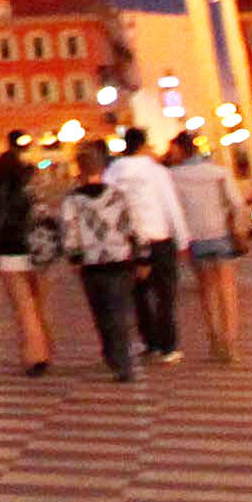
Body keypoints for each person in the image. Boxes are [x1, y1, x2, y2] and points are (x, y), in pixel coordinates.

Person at [56, 138, 145, 379]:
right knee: (120, 311)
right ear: (102, 168)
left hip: (92, 264)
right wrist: (142, 257)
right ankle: (122, 361)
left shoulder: (72, 200)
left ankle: (112, 355)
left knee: (102, 313)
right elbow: (133, 227)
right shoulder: (118, 195)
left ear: (79, 169)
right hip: (120, 260)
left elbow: (69, 232)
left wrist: (74, 258)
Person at [102, 127, 190, 363]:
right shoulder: (157, 172)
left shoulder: (111, 173)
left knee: (139, 294)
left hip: (128, 241)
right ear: (143, 145)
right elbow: (170, 206)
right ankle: (168, 345)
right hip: (157, 236)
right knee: (165, 294)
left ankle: (149, 340)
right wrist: (182, 238)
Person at [163, 129, 250, 363]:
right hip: (220, 234)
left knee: (206, 290)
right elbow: (237, 204)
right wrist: (238, 228)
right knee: (227, 289)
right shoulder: (218, 172)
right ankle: (230, 342)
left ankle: (213, 337)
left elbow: (172, 210)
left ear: (180, 150)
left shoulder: (172, 176)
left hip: (194, 238)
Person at [0, 135, 57, 378]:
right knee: (37, 306)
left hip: (9, 256)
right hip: (35, 254)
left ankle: (34, 356)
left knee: (24, 308)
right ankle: (45, 350)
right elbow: (44, 218)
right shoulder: (30, 191)